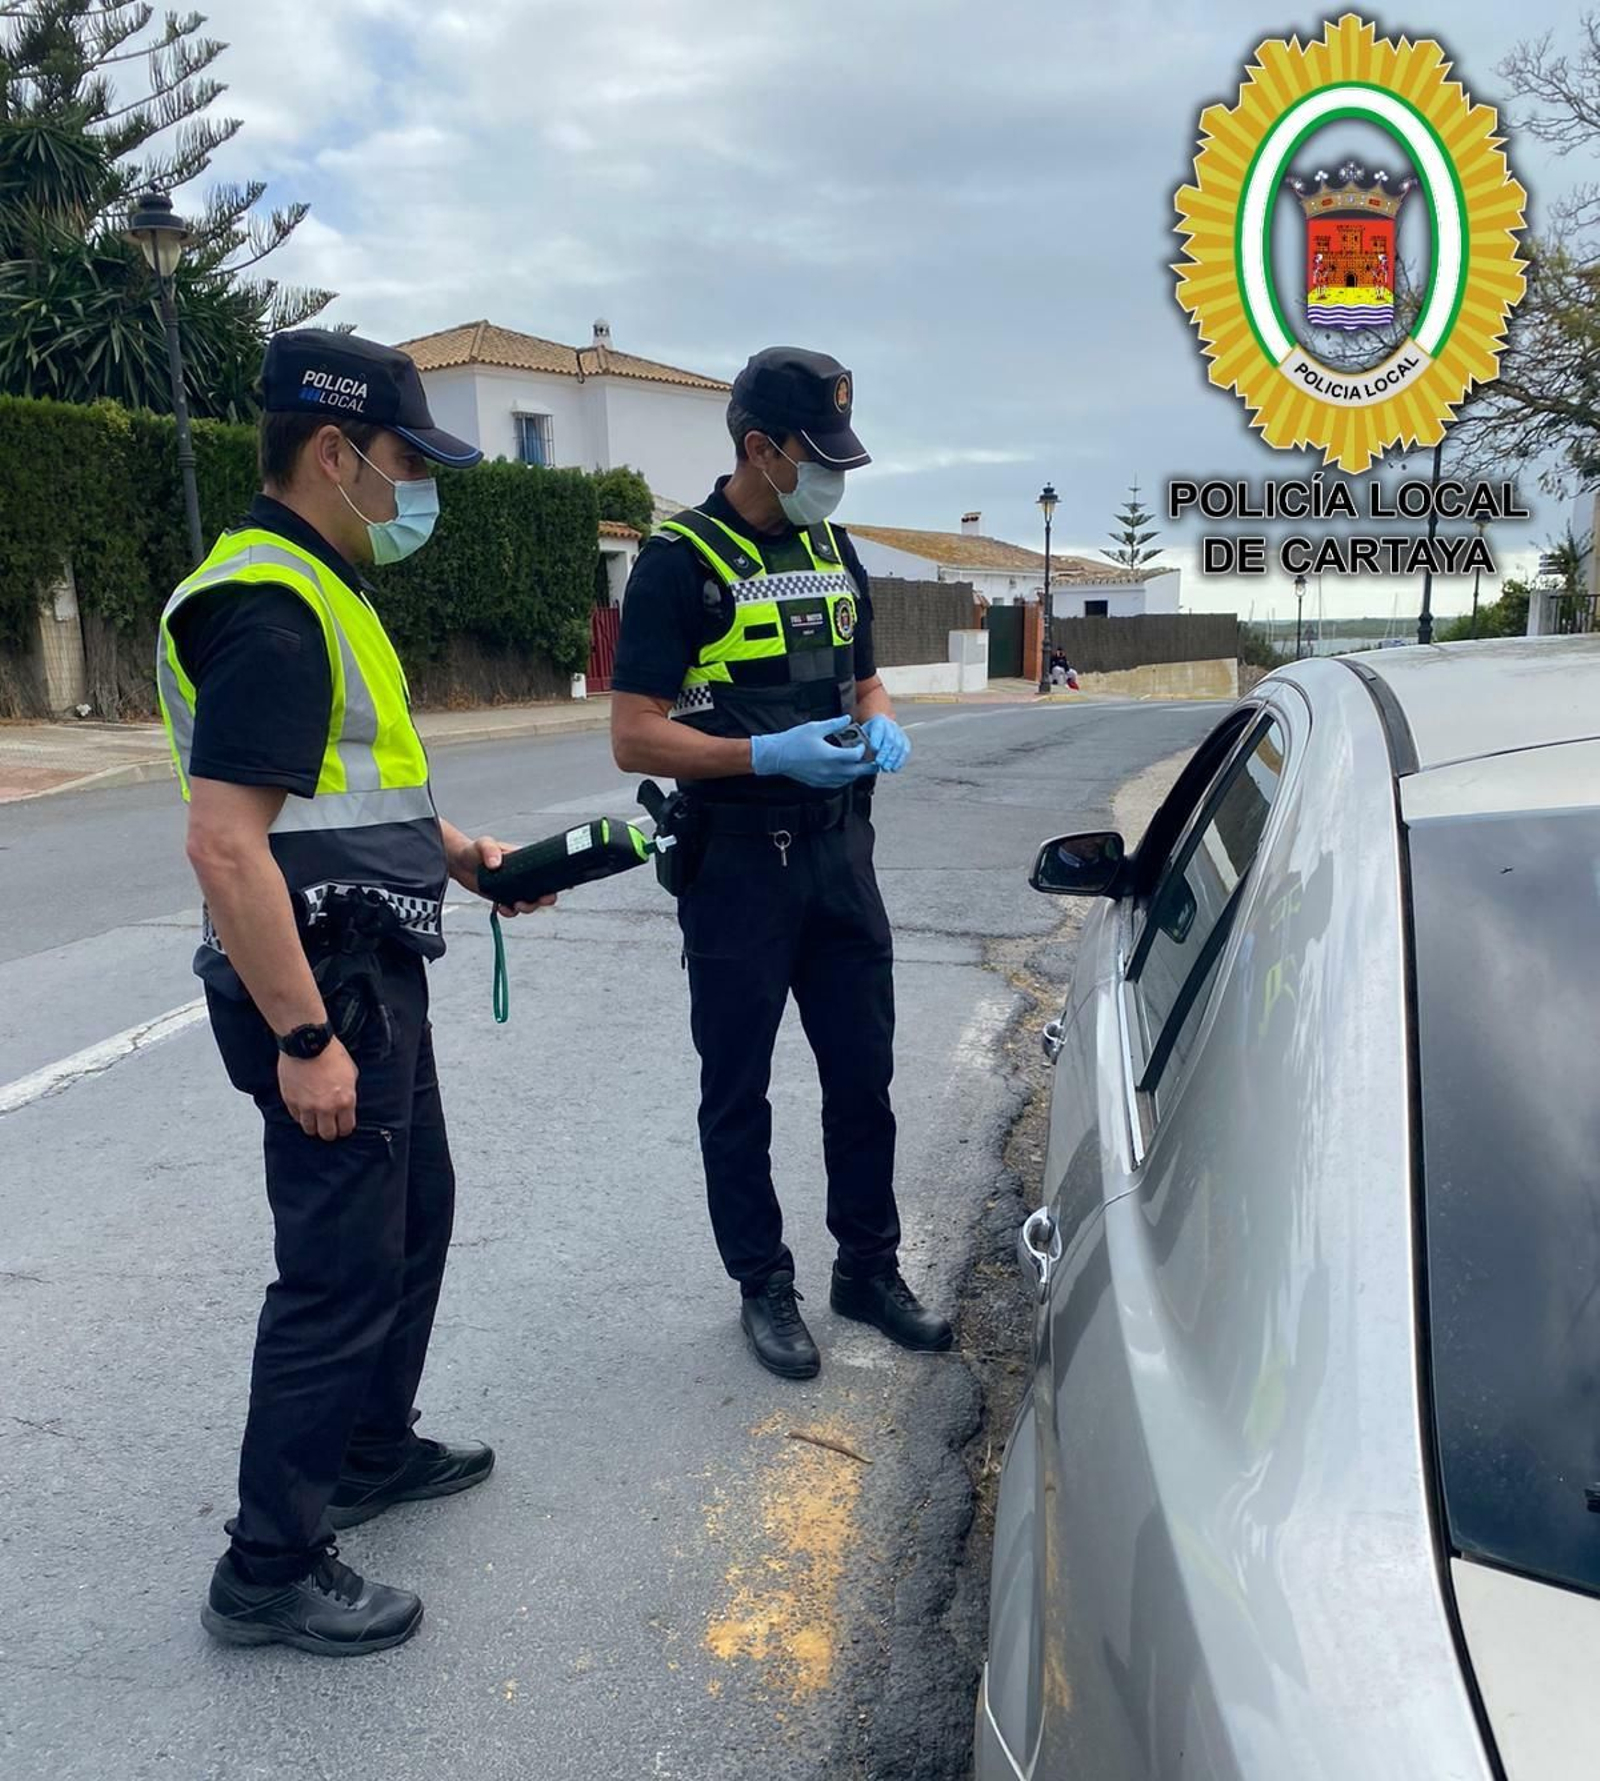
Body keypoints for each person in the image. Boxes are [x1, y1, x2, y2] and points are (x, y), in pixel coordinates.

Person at [156, 329, 549, 1657]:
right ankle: (268, 1562)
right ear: (335, 453)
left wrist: (454, 852)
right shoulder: (271, 606)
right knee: (335, 1268)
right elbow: (225, 839)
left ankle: (371, 1448)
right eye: (405, 461)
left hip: (371, 956)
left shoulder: (320, 584)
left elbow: (333, 786)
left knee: (412, 1214)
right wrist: (306, 1037)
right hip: (326, 986)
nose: (416, 490)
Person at [610, 346, 952, 1381]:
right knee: (739, 1089)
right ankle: (763, 1281)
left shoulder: (834, 549)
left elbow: (867, 680)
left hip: (841, 855)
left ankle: (868, 1264)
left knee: (864, 1077)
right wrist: (759, 753)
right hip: (737, 868)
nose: (831, 476)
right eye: (815, 455)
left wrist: (881, 720)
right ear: (758, 447)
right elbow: (633, 735)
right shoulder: (677, 564)